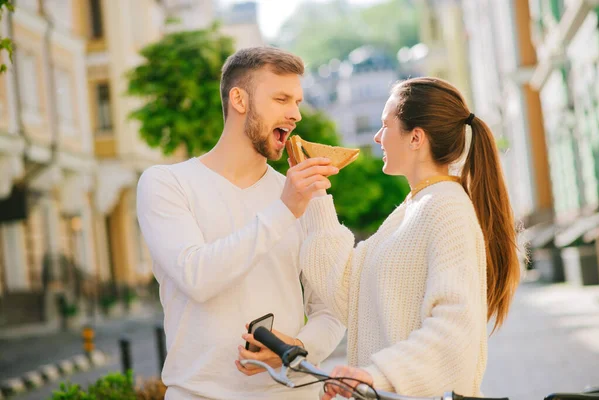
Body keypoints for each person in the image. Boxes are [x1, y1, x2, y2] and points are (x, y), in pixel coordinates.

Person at [286, 77, 521, 399]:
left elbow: (455, 330)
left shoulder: (446, 208)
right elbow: (349, 295)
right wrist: (317, 195)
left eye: (386, 125)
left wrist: (376, 375)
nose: (377, 137)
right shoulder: (415, 207)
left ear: (416, 138)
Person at [136, 46, 345, 400]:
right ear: (239, 99)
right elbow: (196, 277)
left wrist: (297, 346)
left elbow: (332, 308)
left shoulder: (301, 193)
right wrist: (284, 210)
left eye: (297, 102)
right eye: (281, 99)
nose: (294, 115)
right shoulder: (166, 184)